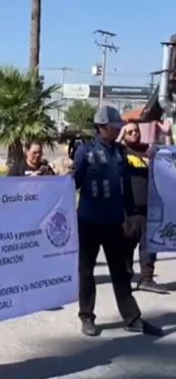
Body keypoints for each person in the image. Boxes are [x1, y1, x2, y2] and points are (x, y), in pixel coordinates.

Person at [74, 106, 162, 337]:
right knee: (86, 271)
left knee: (121, 272)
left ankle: (132, 318)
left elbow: (127, 186)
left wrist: (132, 213)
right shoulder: (85, 151)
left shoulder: (120, 152)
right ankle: (87, 317)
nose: (117, 131)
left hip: (115, 221)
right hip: (89, 220)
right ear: (101, 127)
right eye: (113, 128)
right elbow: (73, 183)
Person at [118, 122, 169, 294]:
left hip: (149, 208)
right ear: (123, 135)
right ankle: (124, 279)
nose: (134, 134)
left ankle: (147, 279)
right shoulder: (119, 152)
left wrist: (167, 135)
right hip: (128, 210)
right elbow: (113, 151)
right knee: (125, 247)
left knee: (149, 246)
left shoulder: (150, 151)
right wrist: (120, 138)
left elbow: (170, 158)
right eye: (129, 132)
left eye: (136, 131)